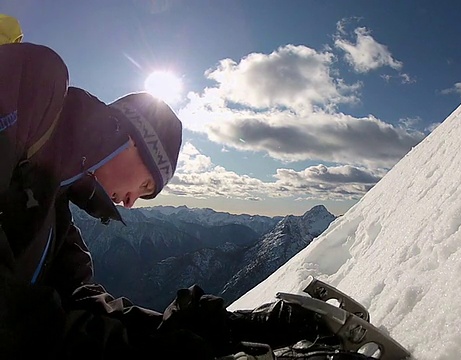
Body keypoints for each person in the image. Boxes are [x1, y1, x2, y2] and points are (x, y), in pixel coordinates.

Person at [0, 42, 331, 359]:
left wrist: (220, 331)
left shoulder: (53, 203)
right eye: (146, 184)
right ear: (133, 140)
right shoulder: (33, 87)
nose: (130, 203)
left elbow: (78, 302)